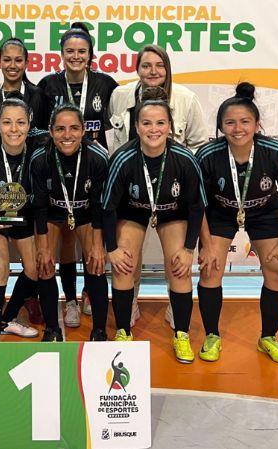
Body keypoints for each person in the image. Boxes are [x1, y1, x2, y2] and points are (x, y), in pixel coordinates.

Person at [195, 82, 278, 364]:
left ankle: (268, 337)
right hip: (220, 212)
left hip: (264, 211)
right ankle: (212, 335)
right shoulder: (208, 155)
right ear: (220, 127)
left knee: (277, 270)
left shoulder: (274, 151)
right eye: (230, 123)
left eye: (245, 121)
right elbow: (197, 203)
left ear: (257, 125)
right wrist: (207, 245)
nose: (237, 128)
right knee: (210, 269)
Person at [102, 87, 206, 364]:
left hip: (172, 212)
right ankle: (124, 331)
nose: (153, 129)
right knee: (123, 263)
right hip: (133, 211)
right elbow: (108, 208)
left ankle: (181, 333)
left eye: (160, 122)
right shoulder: (122, 159)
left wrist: (189, 249)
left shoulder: (184, 159)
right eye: (146, 123)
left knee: (179, 266)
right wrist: (111, 249)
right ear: (136, 126)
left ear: (170, 126)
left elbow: (197, 207)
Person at [109, 44, 208, 329]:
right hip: (132, 193)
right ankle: (129, 310)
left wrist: (178, 169)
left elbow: (199, 144)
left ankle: (178, 317)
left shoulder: (186, 99)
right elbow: (115, 140)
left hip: (172, 194)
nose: (153, 71)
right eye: (146, 65)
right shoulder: (119, 96)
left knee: (178, 261)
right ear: (137, 69)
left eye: (159, 65)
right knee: (126, 260)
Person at [37, 22, 118, 328]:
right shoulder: (48, 84)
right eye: (69, 51)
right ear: (61, 53)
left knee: (93, 245)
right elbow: (38, 125)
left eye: (81, 51)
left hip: (92, 167)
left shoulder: (106, 84)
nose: (75, 56)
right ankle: (69, 299)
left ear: (90, 54)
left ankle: (88, 295)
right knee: (66, 243)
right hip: (59, 168)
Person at [0, 97, 51, 367]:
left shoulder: (40, 141)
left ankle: (7, 319)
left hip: (21, 214)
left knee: (36, 268)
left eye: (20, 122)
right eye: (7, 122)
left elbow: (66, 134)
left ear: (30, 124)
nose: (14, 129)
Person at [30, 105, 110, 341]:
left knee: (96, 262)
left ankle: (99, 330)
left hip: (85, 212)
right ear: (51, 131)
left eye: (74, 128)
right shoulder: (40, 158)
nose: (67, 135)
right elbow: (39, 207)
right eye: (60, 129)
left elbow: (99, 206)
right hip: (53, 211)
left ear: (84, 130)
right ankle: (53, 327)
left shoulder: (97, 158)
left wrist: (98, 246)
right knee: (45, 264)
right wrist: (43, 248)